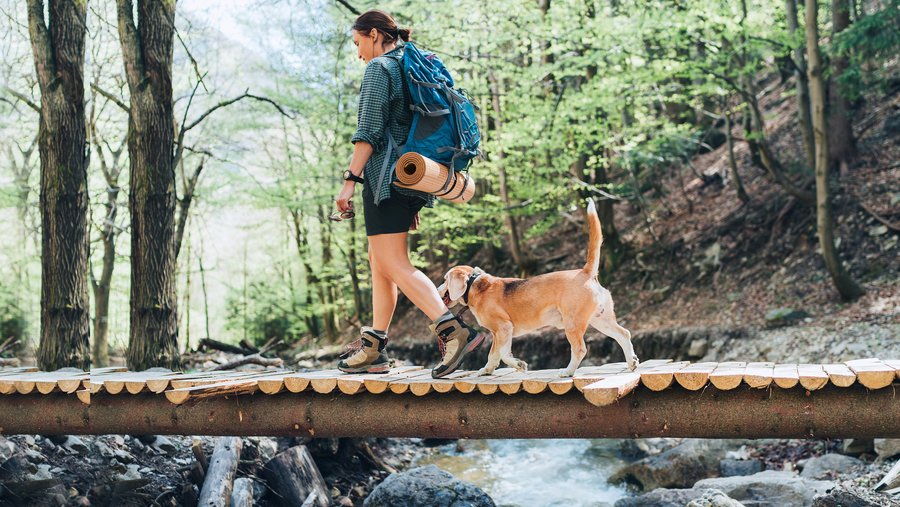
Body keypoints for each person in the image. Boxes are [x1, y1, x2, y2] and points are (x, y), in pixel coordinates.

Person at [333, 10, 486, 378]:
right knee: (379, 261)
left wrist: (350, 180)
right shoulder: (409, 62)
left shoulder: (380, 68)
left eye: (358, 44)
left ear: (373, 34)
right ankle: (374, 346)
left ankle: (452, 330)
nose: (359, 54)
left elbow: (368, 130)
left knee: (393, 264)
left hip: (386, 176)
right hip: (411, 175)